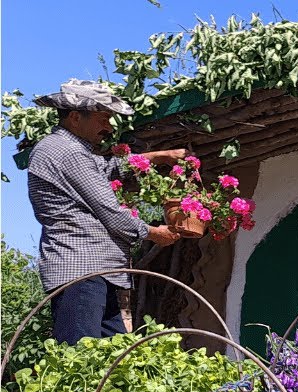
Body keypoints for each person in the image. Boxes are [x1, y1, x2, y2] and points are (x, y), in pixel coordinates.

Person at [28, 79, 187, 344]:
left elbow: (108, 168)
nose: (109, 127)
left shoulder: (72, 151)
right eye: (103, 119)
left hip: (95, 269)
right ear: (76, 117)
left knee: (109, 360)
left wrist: (159, 156)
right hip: (81, 269)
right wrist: (151, 233)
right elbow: (110, 211)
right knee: (80, 358)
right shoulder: (67, 152)